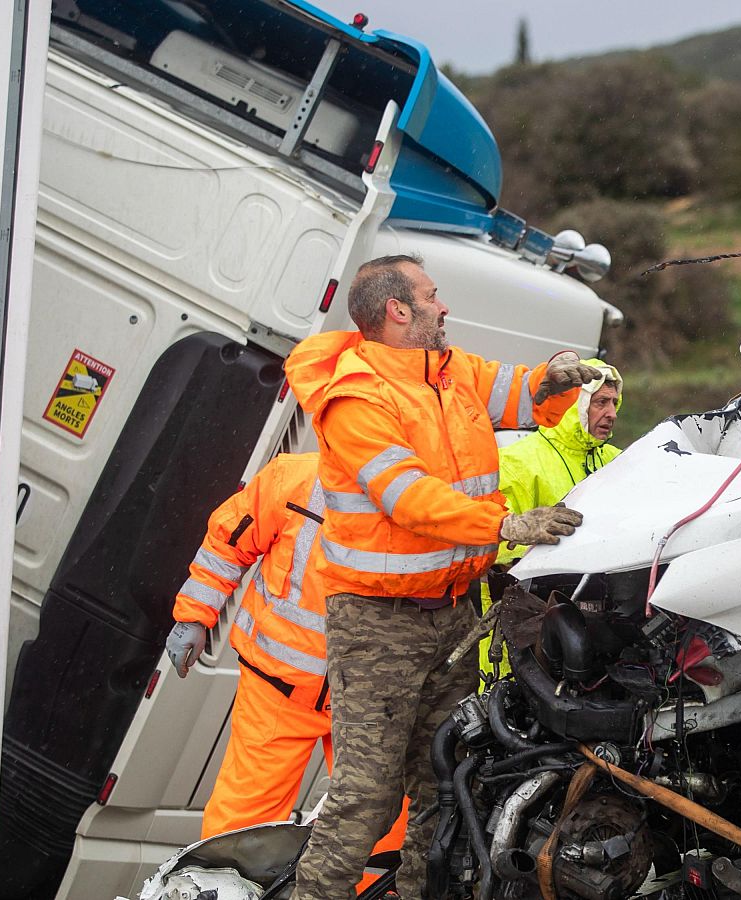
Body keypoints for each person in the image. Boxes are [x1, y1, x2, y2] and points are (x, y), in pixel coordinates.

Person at [281, 254, 599, 899]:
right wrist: (506, 526)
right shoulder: (356, 396)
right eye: (432, 296)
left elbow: (517, 389)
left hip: (450, 616)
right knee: (368, 796)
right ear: (399, 310)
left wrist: (552, 378)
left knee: (445, 778)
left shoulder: (448, 373)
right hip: (378, 624)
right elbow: (407, 498)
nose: (443, 306)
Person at [164, 452, 406, 881]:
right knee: (239, 829)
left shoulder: (418, 499)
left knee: (385, 829)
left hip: (368, 700)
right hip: (281, 688)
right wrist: (193, 614)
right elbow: (227, 542)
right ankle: (215, 890)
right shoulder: (295, 477)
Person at [479, 360, 623, 681]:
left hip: (592, 620)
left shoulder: (618, 461)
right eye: (600, 402)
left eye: (614, 402)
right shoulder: (519, 461)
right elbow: (493, 553)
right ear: (575, 404)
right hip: (519, 625)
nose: (611, 413)